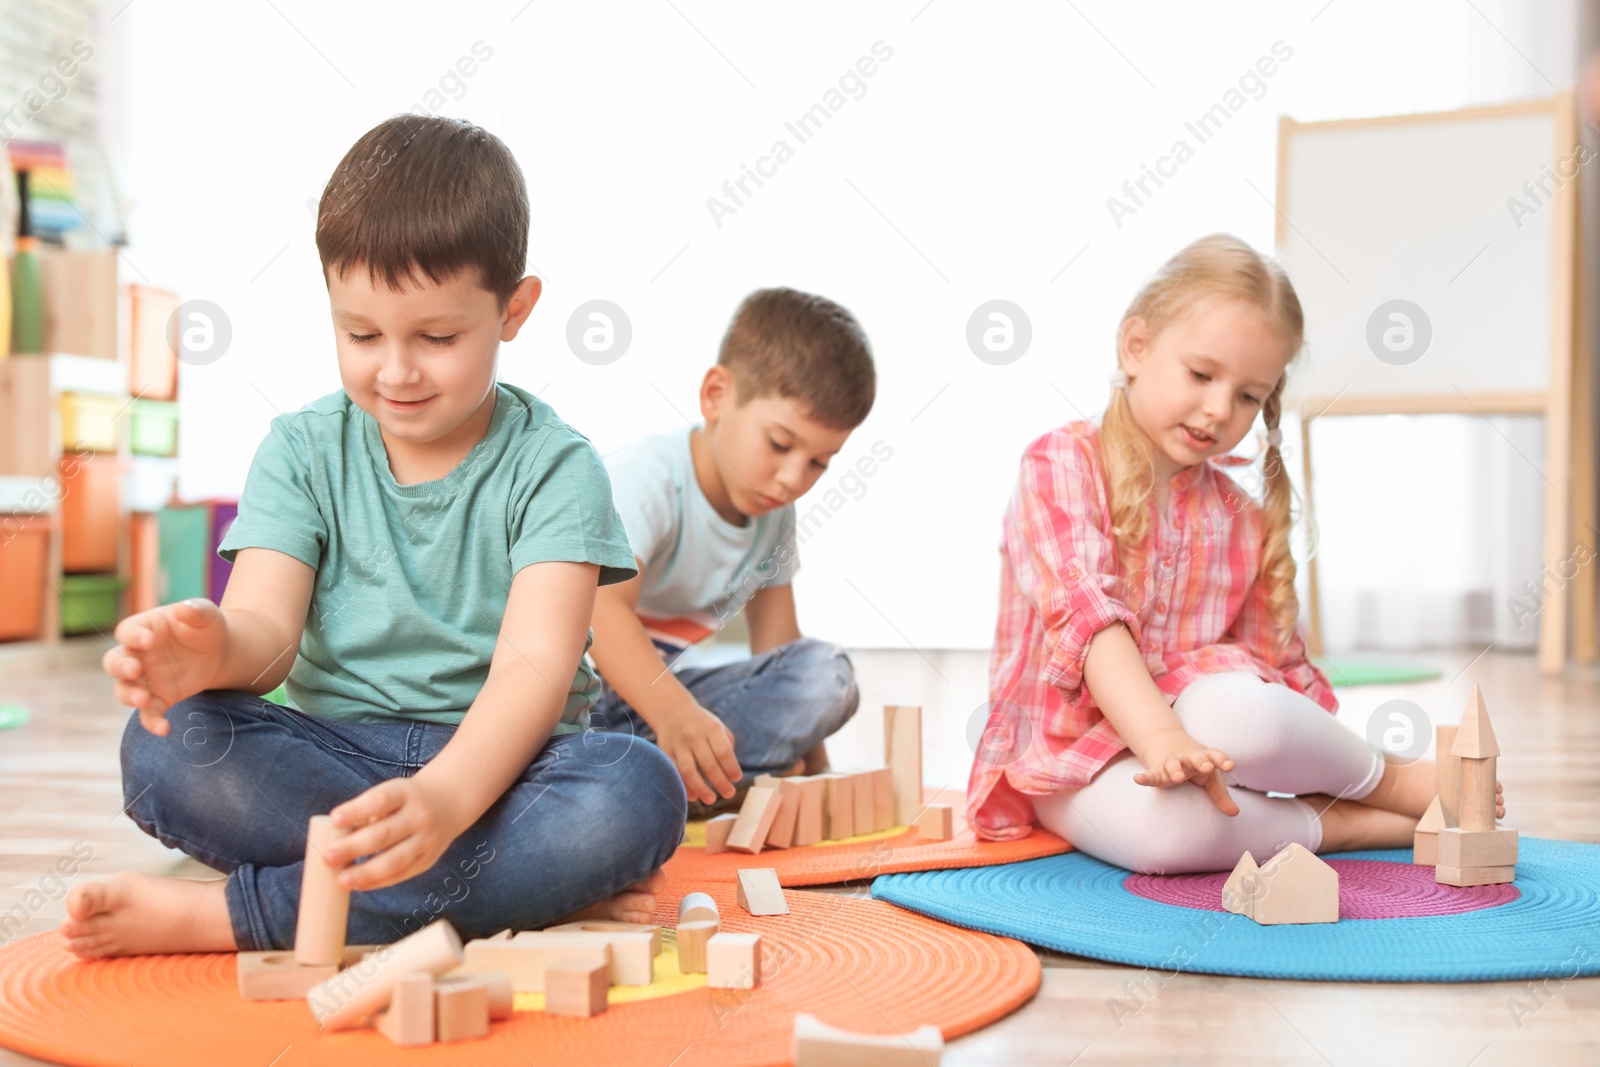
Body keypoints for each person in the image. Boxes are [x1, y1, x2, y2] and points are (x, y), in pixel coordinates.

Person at [62, 115, 684, 958]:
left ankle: (240, 916)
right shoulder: (302, 449)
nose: (394, 370)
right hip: (335, 755)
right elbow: (268, 637)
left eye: (437, 337)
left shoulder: (557, 468)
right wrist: (210, 652)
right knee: (166, 746)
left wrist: (443, 800)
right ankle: (511, 892)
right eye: (360, 335)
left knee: (634, 790)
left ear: (515, 309)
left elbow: (534, 669)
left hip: (499, 771)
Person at [966, 233, 1504, 874]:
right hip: (1065, 755)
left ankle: (1388, 782)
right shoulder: (1060, 463)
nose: (1220, 409)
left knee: (1245, 711)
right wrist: (1160, 738)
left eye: (1250, 395)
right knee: (1163, 836)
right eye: (1201, 374)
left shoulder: (1240, 519)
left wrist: (1291, 754)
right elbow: (1091, 625)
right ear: (1135, 347)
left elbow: (1277, 681)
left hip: (1198, 741)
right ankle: (1355, 826)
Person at [588, 288, 875, 811]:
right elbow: (600, 612)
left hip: (649, 715)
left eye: (818, 463)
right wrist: (676, 716)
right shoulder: (647, 481)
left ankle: (677, 780)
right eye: (780, 444)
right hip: (568, 707)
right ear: (717, 395)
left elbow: (778, 649)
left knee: (824, 677)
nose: (792, 479)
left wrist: (821, 780)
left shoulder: (773, 514)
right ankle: (669, 780)